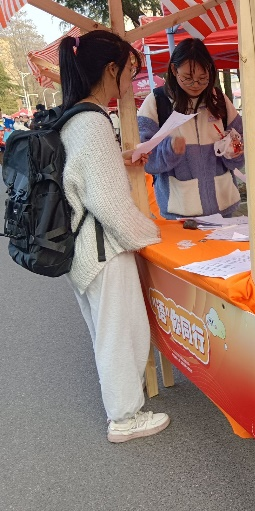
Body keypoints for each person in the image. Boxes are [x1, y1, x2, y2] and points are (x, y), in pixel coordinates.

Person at [58, 30, 169, 443]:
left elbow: (83, 176)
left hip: (82, 248)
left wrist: (116, 158)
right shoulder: (93, 121)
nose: (130, 81)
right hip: (102, 247)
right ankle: (124, 417)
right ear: (111, 69)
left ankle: (123, 406)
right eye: (129, 72)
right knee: (120, 333)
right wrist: (151, 234)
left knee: (108, 332)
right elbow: (110, 205)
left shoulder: (73, 116)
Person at [138, 38, 244, 219]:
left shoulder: (218, 99)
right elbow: (144, 158)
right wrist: (169, 150)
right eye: (187, 78)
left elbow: (241, 142)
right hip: (180, 213)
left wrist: (234, 149)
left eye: (202, 78)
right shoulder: (157, 102)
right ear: (174, 70)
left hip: (224, 208)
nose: (195, 85)